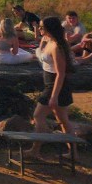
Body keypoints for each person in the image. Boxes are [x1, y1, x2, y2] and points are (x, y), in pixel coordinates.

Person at [26, 16, 75, 161]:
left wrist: (54, 96)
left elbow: (61, 73)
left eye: (41, 27)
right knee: (63, 121)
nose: (39, 29)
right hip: (51, 84)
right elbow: (41, 54)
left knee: (38, 116)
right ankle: (74, 153)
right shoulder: (50, 41)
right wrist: (42, 39)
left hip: (55, 86)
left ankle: (35, 150)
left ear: (49, 29)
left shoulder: (57, 46)